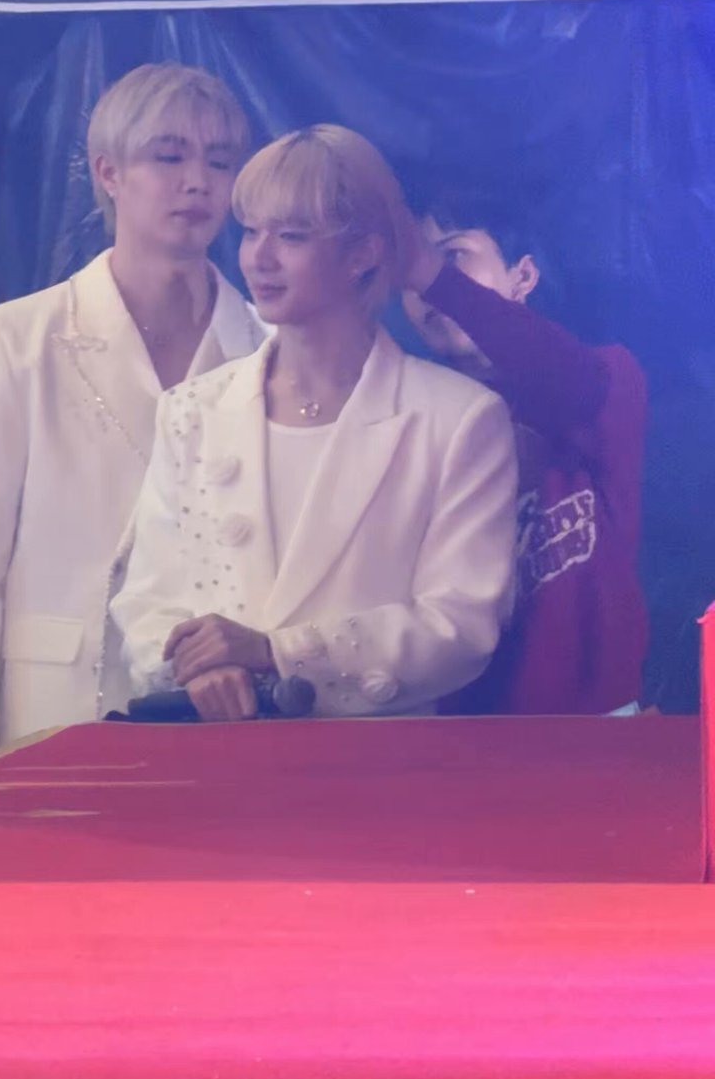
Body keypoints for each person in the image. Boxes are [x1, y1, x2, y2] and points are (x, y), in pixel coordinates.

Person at [111, 127, 518, 721]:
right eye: (251, 231)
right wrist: (198, 667)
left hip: (381, 766)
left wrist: (280, 654)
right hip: (213, 758)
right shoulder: (191, 411)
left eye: (292, 236)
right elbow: (148, 601)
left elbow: (461, 624)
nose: (259, 257)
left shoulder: (459, 419)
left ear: (363, 254)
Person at [0, 62, 264, 769]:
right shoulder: (17, 339)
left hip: (221, 727)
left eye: (219, 161)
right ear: (109, 173)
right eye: (168, 156)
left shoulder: (266, 349)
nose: (197, 181)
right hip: (54, 716)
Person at [401, 191, 648, 713]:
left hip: (602, 720)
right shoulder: (414, 414)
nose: (423, 284)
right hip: (469, 730)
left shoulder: (609, 375)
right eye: (409, 272)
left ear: (524, 276)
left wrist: (430, 275)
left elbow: (565, 376)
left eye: (454, 254)